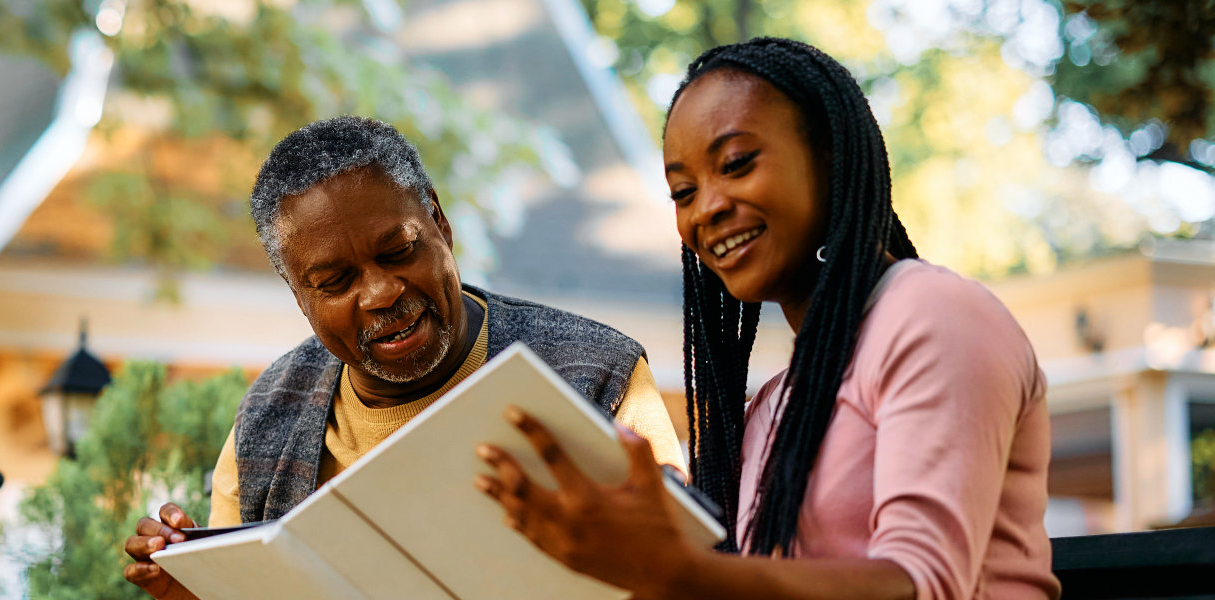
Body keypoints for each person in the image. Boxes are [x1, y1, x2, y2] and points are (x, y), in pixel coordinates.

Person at [475, 38, 1059, 600]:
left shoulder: (933, 315)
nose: (707, 207)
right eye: (683, 191)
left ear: (829, 157)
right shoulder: (771, 408)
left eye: (736, 163)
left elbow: (919, 585)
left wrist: (674, 571)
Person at [121, 116, 689, 600]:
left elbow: (685, 571)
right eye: (335, 281)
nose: (380, 294)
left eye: (398, 252)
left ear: (439, 222)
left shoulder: (596, 376)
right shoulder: (269, 416)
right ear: (299, 295)